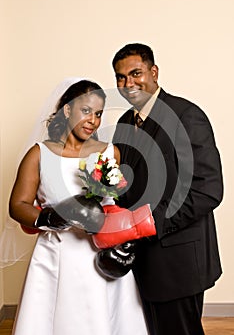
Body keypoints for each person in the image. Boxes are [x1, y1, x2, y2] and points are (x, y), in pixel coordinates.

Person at [9, 78, 150, 335]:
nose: (93, 121)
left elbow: (124, 204)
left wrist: (125, 236)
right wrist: (52, 218)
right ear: (67, 110)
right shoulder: (39, 153)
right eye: (86, 111)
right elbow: (18, 205)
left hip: (103, 255)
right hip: (58, 253)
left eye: (98, 114)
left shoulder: (110, 152)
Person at [111, 43, 223, 335]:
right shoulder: (125, 122)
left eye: (135, 73)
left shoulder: (186, 115)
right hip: (140, 260)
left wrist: (148, 223)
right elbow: (126, 183)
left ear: (154, 72)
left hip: (178, 261)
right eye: (120, 78)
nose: (128, 83)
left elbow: (208, 189)